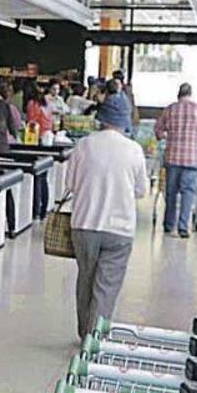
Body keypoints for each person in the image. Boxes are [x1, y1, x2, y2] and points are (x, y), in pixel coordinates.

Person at [64, 117, 150, 339]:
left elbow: (70, 184)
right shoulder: (134, 150)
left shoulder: (83, 145)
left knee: (86, 278)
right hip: (119, 229)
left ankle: (84, 332)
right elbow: (141, 190)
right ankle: (94, 339)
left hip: (84, 225)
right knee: (106, 287)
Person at [154, 83, 197, 238]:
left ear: (178, 94)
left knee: (171, 192)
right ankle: (183, 227)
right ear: (190, 93)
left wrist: (167, 136)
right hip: (192, 158)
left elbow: (158, 131)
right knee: (188, 192)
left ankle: (168, 225)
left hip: (172, 157)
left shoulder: (170, 109)